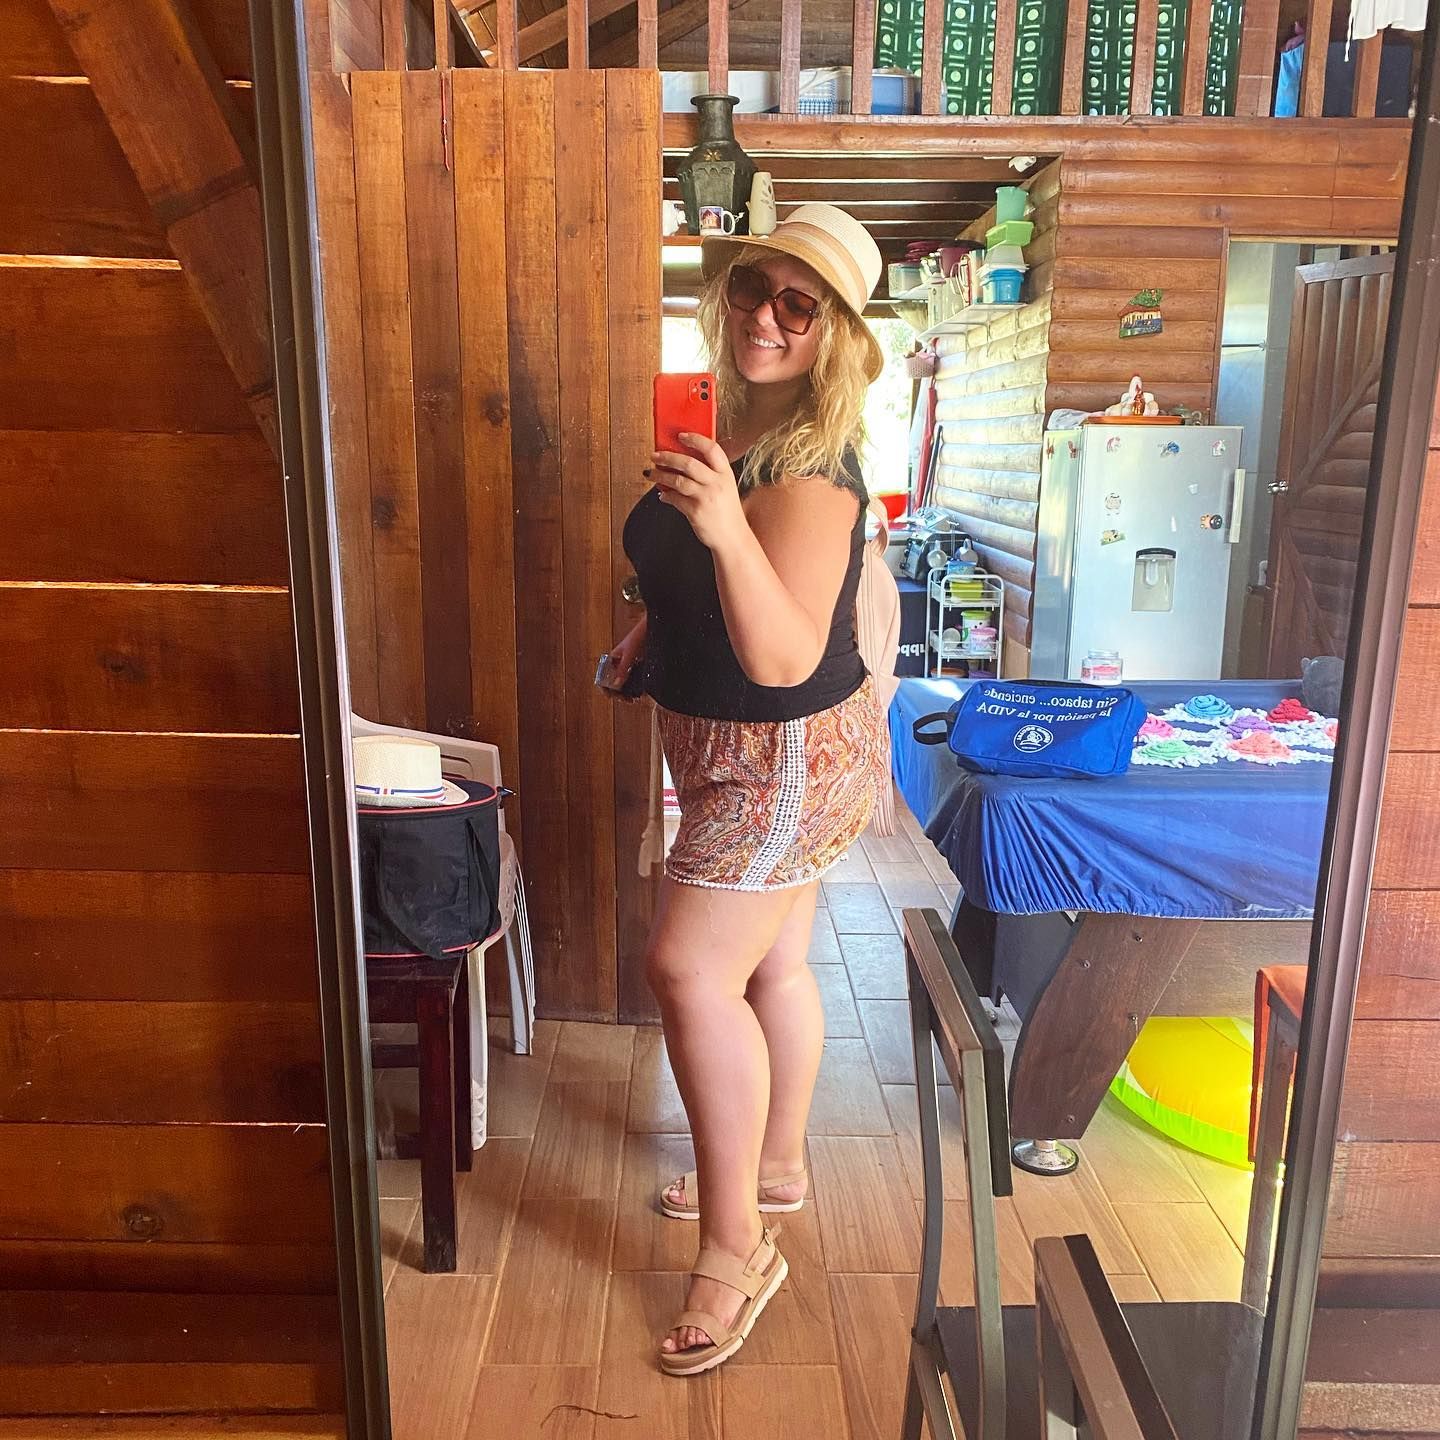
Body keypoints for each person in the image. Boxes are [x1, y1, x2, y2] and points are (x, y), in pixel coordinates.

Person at [606, 204, 890, 1377]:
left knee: (689, 969)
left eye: (798, 303)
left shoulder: (811, 473)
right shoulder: (738, 425)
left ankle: (737, 1250)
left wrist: (725, 528)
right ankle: (775, 1166)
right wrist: (650, 626)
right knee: (772, 965)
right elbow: (703, 581)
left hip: (778, 759)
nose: (765, 317)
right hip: (737, 744)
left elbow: (779, 656)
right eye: (749, 289)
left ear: (837, 334)